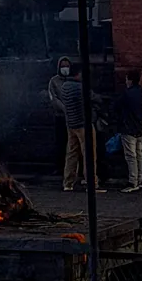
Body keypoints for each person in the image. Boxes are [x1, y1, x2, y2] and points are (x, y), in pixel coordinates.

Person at [49, 58, 92, 191]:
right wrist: (65, 109)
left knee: (73, 150)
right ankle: (84, 179)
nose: (65, 68)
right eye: (63, 66)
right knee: (70, 147)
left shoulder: (71, 83)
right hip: (64, 117)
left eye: (67, 66)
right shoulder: (55, 81)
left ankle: (72, 179)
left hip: (73, 118)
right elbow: (54, 98)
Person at [116, 69, 142, 192]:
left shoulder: (126, 94)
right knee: (139, 154)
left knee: (131, 156)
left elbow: (116, 107)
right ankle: (139, 178)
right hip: (139, 126)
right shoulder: (141, 92)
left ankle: (132, 181)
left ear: (129, 79)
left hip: (128, 127)